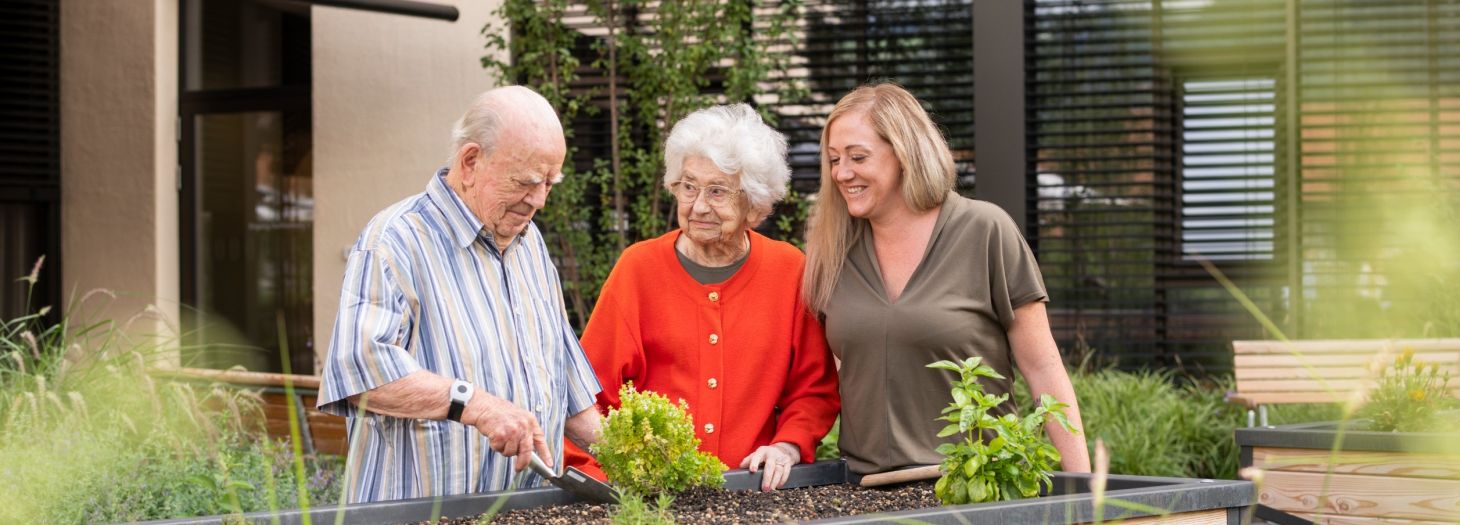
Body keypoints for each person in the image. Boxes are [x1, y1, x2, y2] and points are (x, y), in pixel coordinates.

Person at [316, 86, 603, 503]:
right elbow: (360, 373)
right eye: (525, 182)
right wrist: (477, 405)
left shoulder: (531, 244)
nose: (538, 200)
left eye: (549, 184)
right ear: (470, 162)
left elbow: (566, 384)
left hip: (525, 511)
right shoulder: (394, 240)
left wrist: (637, 458)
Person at [802, 83, 1091, 475]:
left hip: (979, 489)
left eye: (858, 157)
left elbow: (1042, 368)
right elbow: (829, 378)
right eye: (834, 159)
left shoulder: (983, 230)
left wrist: (1086, 496)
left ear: (904, 153)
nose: (842, 173)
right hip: (865, 493)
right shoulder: (834, 249)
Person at [564, 104, 840, 491]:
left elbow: (814, 389)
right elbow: (586, 396)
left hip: (753, 491)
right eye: (688, 186)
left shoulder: (789, 271)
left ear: (755, 203)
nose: (697, 206)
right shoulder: (638, 269)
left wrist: (787, 446)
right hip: (654, 496)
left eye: (717, 191)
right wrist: (621, 480)